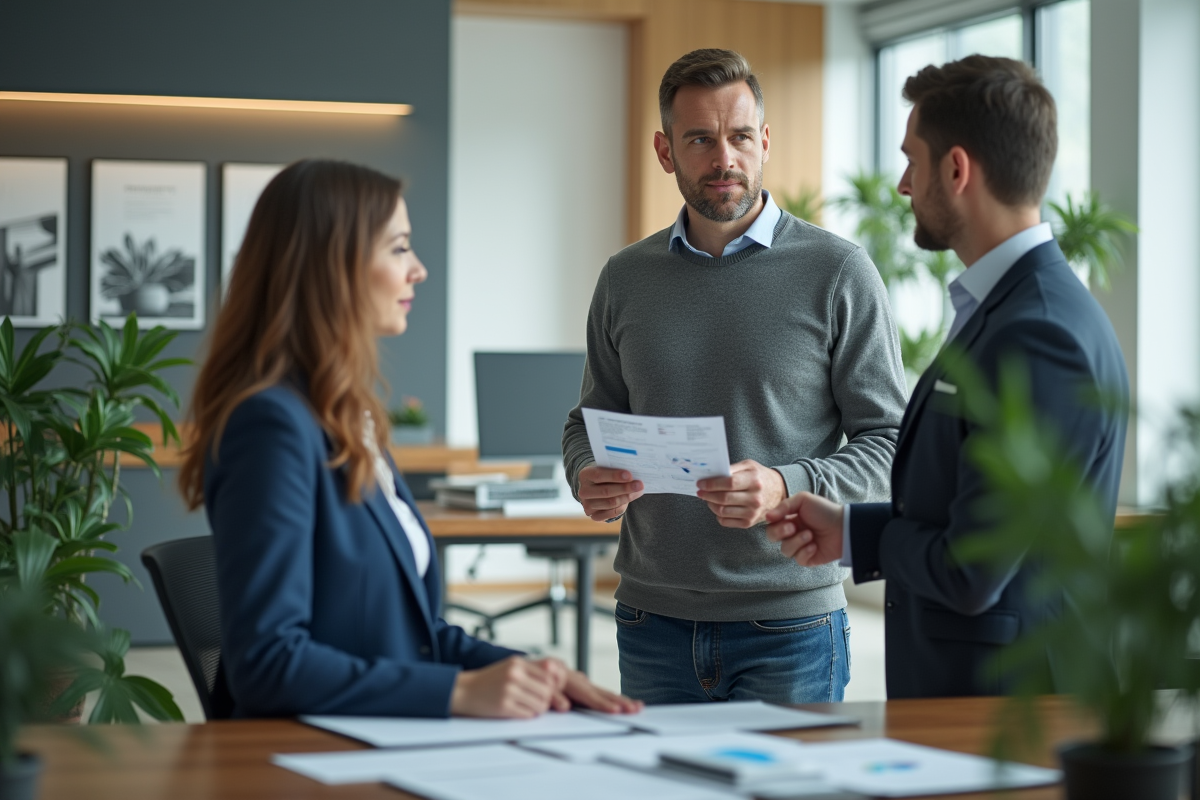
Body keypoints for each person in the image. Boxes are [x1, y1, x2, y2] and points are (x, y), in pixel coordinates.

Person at [179, 159, 641, 719]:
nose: (417, 269)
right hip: (305, 761)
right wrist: (459, 693)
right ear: (334, 265)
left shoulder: (349, 419)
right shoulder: (270, 425)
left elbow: (416, 639)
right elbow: (267, 663)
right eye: (398, 248)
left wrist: (532, 672)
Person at [765, 56, 1130, 699]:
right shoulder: (1006, 308)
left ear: (957, 169)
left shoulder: (1038, 334)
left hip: (1006, 707)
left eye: (913, 159)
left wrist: (857, 535)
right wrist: (850, 530)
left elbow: (973, 569)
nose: (904, 184)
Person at [561, 49, 908, 705]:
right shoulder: (624, 278)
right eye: (700, 139)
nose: (725, 159)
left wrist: (787, 483)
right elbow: (589, 418)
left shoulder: (838, 272)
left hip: (791, 624)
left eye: (740, 136)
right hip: (650, 621)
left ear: (765, 141)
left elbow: (890, 442)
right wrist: (583, 469)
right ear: (666, 151)